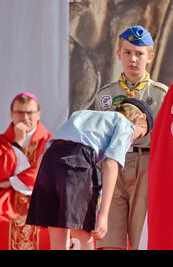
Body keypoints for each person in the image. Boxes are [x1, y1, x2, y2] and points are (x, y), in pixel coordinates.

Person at [26, 98, 153, 250]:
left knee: (58, 237)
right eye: (139, 136)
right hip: (77, 165)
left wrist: (40, 192)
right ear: (141, 118)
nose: (132, 142)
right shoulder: (126, 125)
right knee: (82, 234)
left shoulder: (82, 114)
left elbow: (43, 155)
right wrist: (104, 215)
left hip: (49, 163)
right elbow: (111, 164)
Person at [94, 25, 167, 250]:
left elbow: (166, 141)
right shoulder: (105, 95)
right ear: (118, 54)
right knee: (109, 235)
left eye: (139, 53)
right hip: (113, 165)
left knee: (142, 235)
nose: (133, 59)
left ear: (150, 57)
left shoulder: (161, 94)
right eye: (127, 52)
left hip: (146, 163)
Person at [0, 92, 52, 250]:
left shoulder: (51, 141)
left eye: (29, 112)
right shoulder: (2, 141)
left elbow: (44, 172)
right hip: (6, 203)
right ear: (11, 114)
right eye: (19, 112)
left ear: (38, 114)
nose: (25, 117)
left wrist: (10, 181)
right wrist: (17, 143)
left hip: (41, 199)